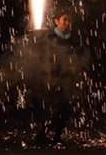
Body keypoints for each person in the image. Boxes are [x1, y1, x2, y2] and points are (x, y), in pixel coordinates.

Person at [33, 9, 82, 145]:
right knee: (49, 108)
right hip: (49, 79)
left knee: (65, 109)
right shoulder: (48, 37)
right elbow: (41, 58)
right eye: (64, 19)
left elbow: (77, 57)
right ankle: (41, 135)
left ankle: (56, 136)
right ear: (56, 21)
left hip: (66, 79)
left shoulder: (73, 39)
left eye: (69, 20)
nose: (67, 23)